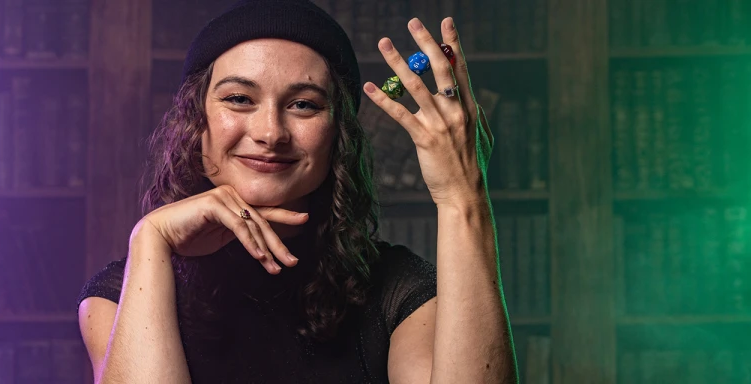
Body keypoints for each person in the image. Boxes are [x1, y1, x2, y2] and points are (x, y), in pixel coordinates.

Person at [76, 0, 514, 382]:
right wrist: (151, 238)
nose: (271, 133)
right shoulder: (117, 296)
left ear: (338, 134)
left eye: (303, 104)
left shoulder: (399, 289)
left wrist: (463, 197)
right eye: (239, 99)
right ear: (196, 124)